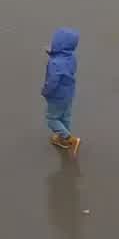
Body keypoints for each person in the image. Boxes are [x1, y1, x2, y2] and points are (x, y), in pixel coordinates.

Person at [41, 27, 81, 158]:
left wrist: (45, 91)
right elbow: (65, 65)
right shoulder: (71, 58)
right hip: (69, 94)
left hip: (56, 97)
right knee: (65, 116)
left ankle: (69, 139)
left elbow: (53, 82)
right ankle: (63, 139)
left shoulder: (55, 63)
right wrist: (53, 54)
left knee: (51, 119)